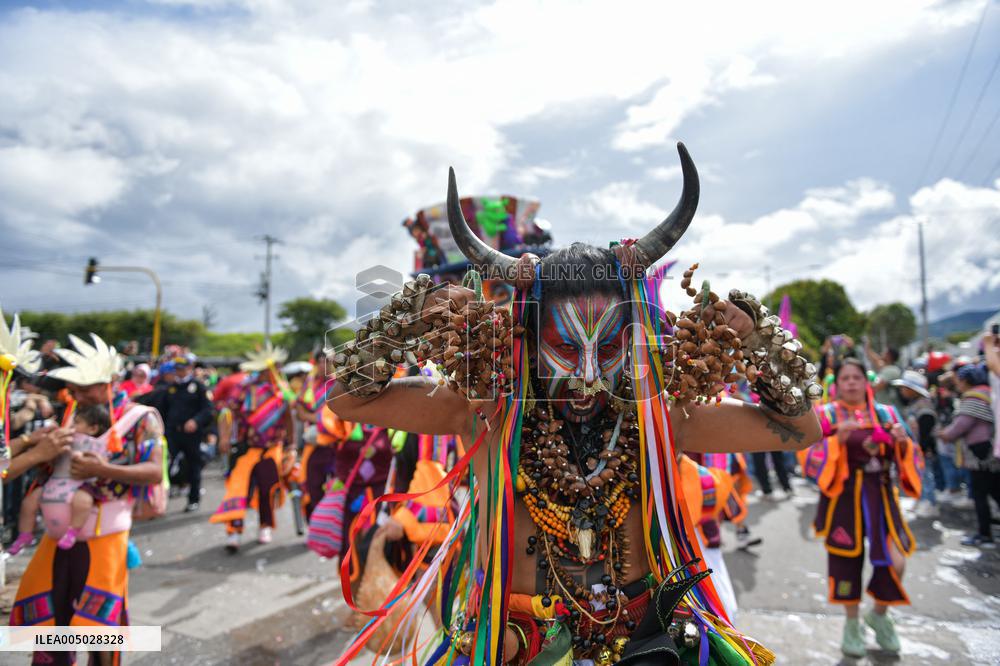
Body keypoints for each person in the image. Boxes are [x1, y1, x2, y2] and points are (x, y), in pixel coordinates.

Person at [329, 146, 822, 664]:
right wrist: (409, 315)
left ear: (631, 342)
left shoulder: (656, 421)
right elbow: (346, 400)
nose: (589, 375)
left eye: (608, 349)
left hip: (644, 644)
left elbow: (801, 430)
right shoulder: (486, 413)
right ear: (527, 339)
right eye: (566, 348)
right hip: (515, 646)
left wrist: (757, 336)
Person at [6, 333, 164, 666]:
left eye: (84, 388)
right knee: (51, 614)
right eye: (73, 389)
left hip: (103, 534)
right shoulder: (71, 414)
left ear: (110, 381)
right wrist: (48, 454)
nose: (76, 395)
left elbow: (153, 471)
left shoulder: (142, 417)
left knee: (98, 625)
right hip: (57, 534)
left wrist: (102, 468)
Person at [801, 358, 922, 658]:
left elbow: (912, 455)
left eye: (857, 377)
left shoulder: (886, 413)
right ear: (837, 384)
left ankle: (879, 614)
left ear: (866, 382)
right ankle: (852, 623)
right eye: (846, 378)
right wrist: (836, 442)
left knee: (897, 560)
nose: (852, 383)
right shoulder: (825, 415)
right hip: (843, 497)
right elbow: (808, 458)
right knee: (846, 561)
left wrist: (902, 443)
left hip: (881, 495)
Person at [210, 343, 294, 551]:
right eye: (276, 367)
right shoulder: (246, 387)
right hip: (246, 448)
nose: (278, 371)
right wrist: (224, 438)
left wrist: (291, 445)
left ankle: (265, 525)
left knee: (267, 490)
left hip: (271, 448)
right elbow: (226, 413)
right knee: (238, 490)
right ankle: (234, 531)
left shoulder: (281, 391)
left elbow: (289, 419)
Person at [937, 363, 997, 548]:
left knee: (981, 493)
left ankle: (984, 534)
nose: (958, 384)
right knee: (994, 490)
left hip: (980, 455)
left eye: (959, 380)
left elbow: (961, 425)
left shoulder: (973, 398)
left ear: (966, 380)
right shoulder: (989, 393)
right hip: (990, 451)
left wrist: (944, 434)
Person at [160, 357, 214, 512]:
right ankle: (160, 500)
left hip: (192, 434)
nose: (180, 372)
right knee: (165, 464)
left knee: (193, 466)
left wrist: (196, 421)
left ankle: (193, 499)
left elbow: (208, 409)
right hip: (173, 432)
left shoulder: (198, 387)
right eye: (177, 369)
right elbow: (163, 410)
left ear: (189, 369)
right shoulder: (171, 388)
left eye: (182, 368)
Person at [893, 369, 940, 518]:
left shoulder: (924, 407)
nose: (902, 391)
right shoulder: (915, 404)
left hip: (923, 449)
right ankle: (921, 500)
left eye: (904, 388)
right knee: (918, 475)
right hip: (915, 448)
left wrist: (921, 448)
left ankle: (930, 503)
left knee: (926, 476)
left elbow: (926, 430)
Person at [867, 345, 904, 412]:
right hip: (887, 410)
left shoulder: (891, 370)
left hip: (890, 412)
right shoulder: (888, 368)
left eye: (884, 352)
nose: (882, 353)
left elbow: (876, 387)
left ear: (888, 355)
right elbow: (875, 359)